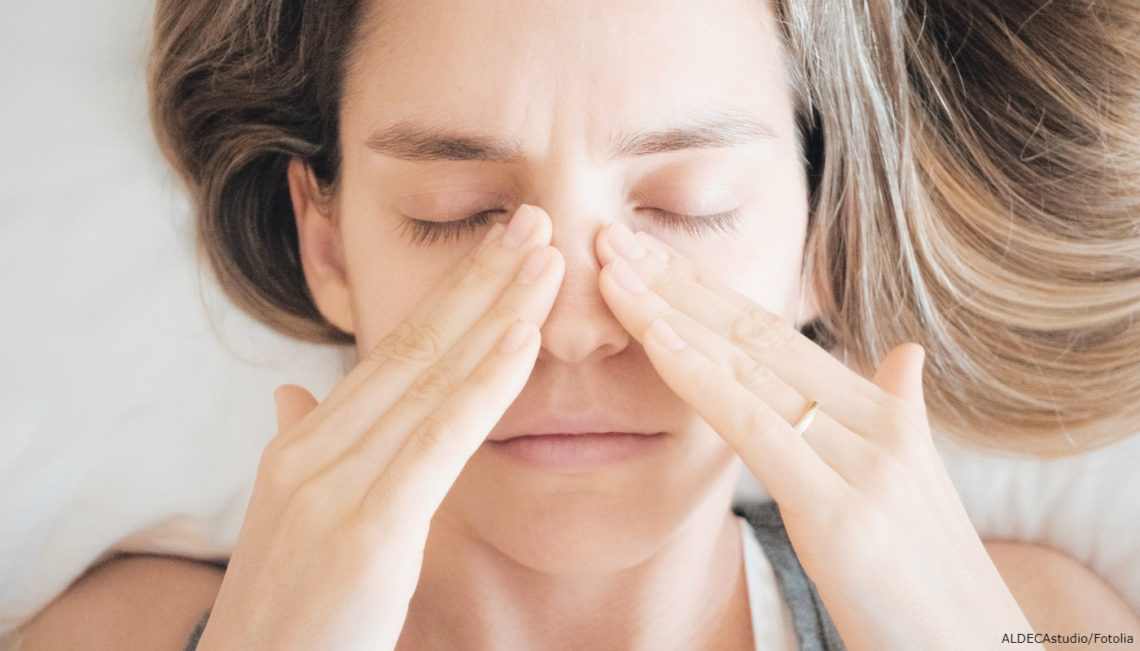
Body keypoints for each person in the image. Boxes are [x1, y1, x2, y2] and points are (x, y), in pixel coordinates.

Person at [18, 0, 1140, 649]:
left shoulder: (1025, 622)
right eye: (459, 217)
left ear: (824, 241)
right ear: (330, 244)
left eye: (681, 210)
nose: (569, 327)